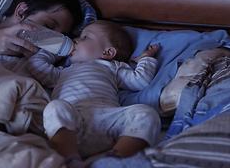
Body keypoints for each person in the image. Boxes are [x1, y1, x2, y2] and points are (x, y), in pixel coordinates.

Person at [27, 20, 161, 168]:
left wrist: (145, 59)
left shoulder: (113, 67)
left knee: (146, 113)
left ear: (108, 52)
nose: (75, 40)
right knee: (55, 107)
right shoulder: (62, 72)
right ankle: (69, 160)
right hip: (71, 125)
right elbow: (36, 65)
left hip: (106, 120)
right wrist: (54, 49)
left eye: (85, 37)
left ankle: (115, 159)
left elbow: (140, 80)